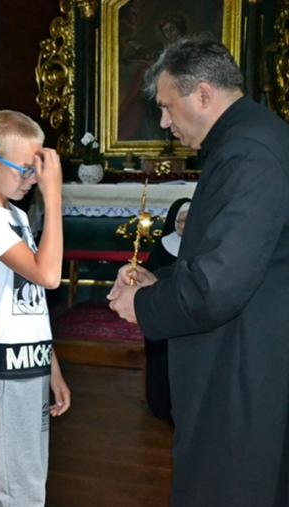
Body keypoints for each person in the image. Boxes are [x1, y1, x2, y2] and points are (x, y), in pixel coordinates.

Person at [107, 35, 289, 506]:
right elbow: (239, 257)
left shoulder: (248, 151)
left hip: (242, 365)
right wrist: (163, 281)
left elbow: (218, 286)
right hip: (248, 346)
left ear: (204, 94)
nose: (164, 122)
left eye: (168, 107)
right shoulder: (250, 137)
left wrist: (143, 304)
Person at [0, 110, 71, 506]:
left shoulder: (16, 214)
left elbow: (32, 302)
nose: (33, 179)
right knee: (20, 483)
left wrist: (52, 366)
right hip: (5, 358)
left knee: (31, 472)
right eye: (25, 170)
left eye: (37, 170)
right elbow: (49, 276)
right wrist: (54, 197)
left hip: (30, 355)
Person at [141, 197, 189, 422]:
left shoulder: (199, 245)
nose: (184, 226)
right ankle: (159, 403)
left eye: (189, 221)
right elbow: (150, 273)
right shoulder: (163, 245)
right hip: (161, 310)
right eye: (180, 221)